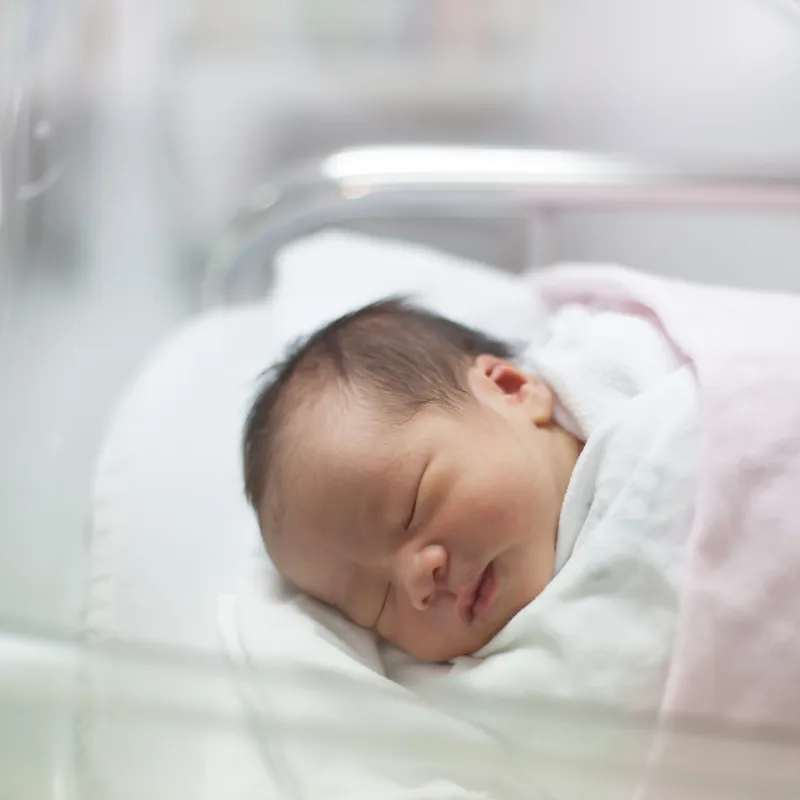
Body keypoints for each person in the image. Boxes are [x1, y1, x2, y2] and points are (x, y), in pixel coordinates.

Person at [242, 297, 591, 662]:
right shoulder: (485, 685)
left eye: (414, 509)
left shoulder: (637, 405)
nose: (418, 581)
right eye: (380, 604)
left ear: (508, 388)